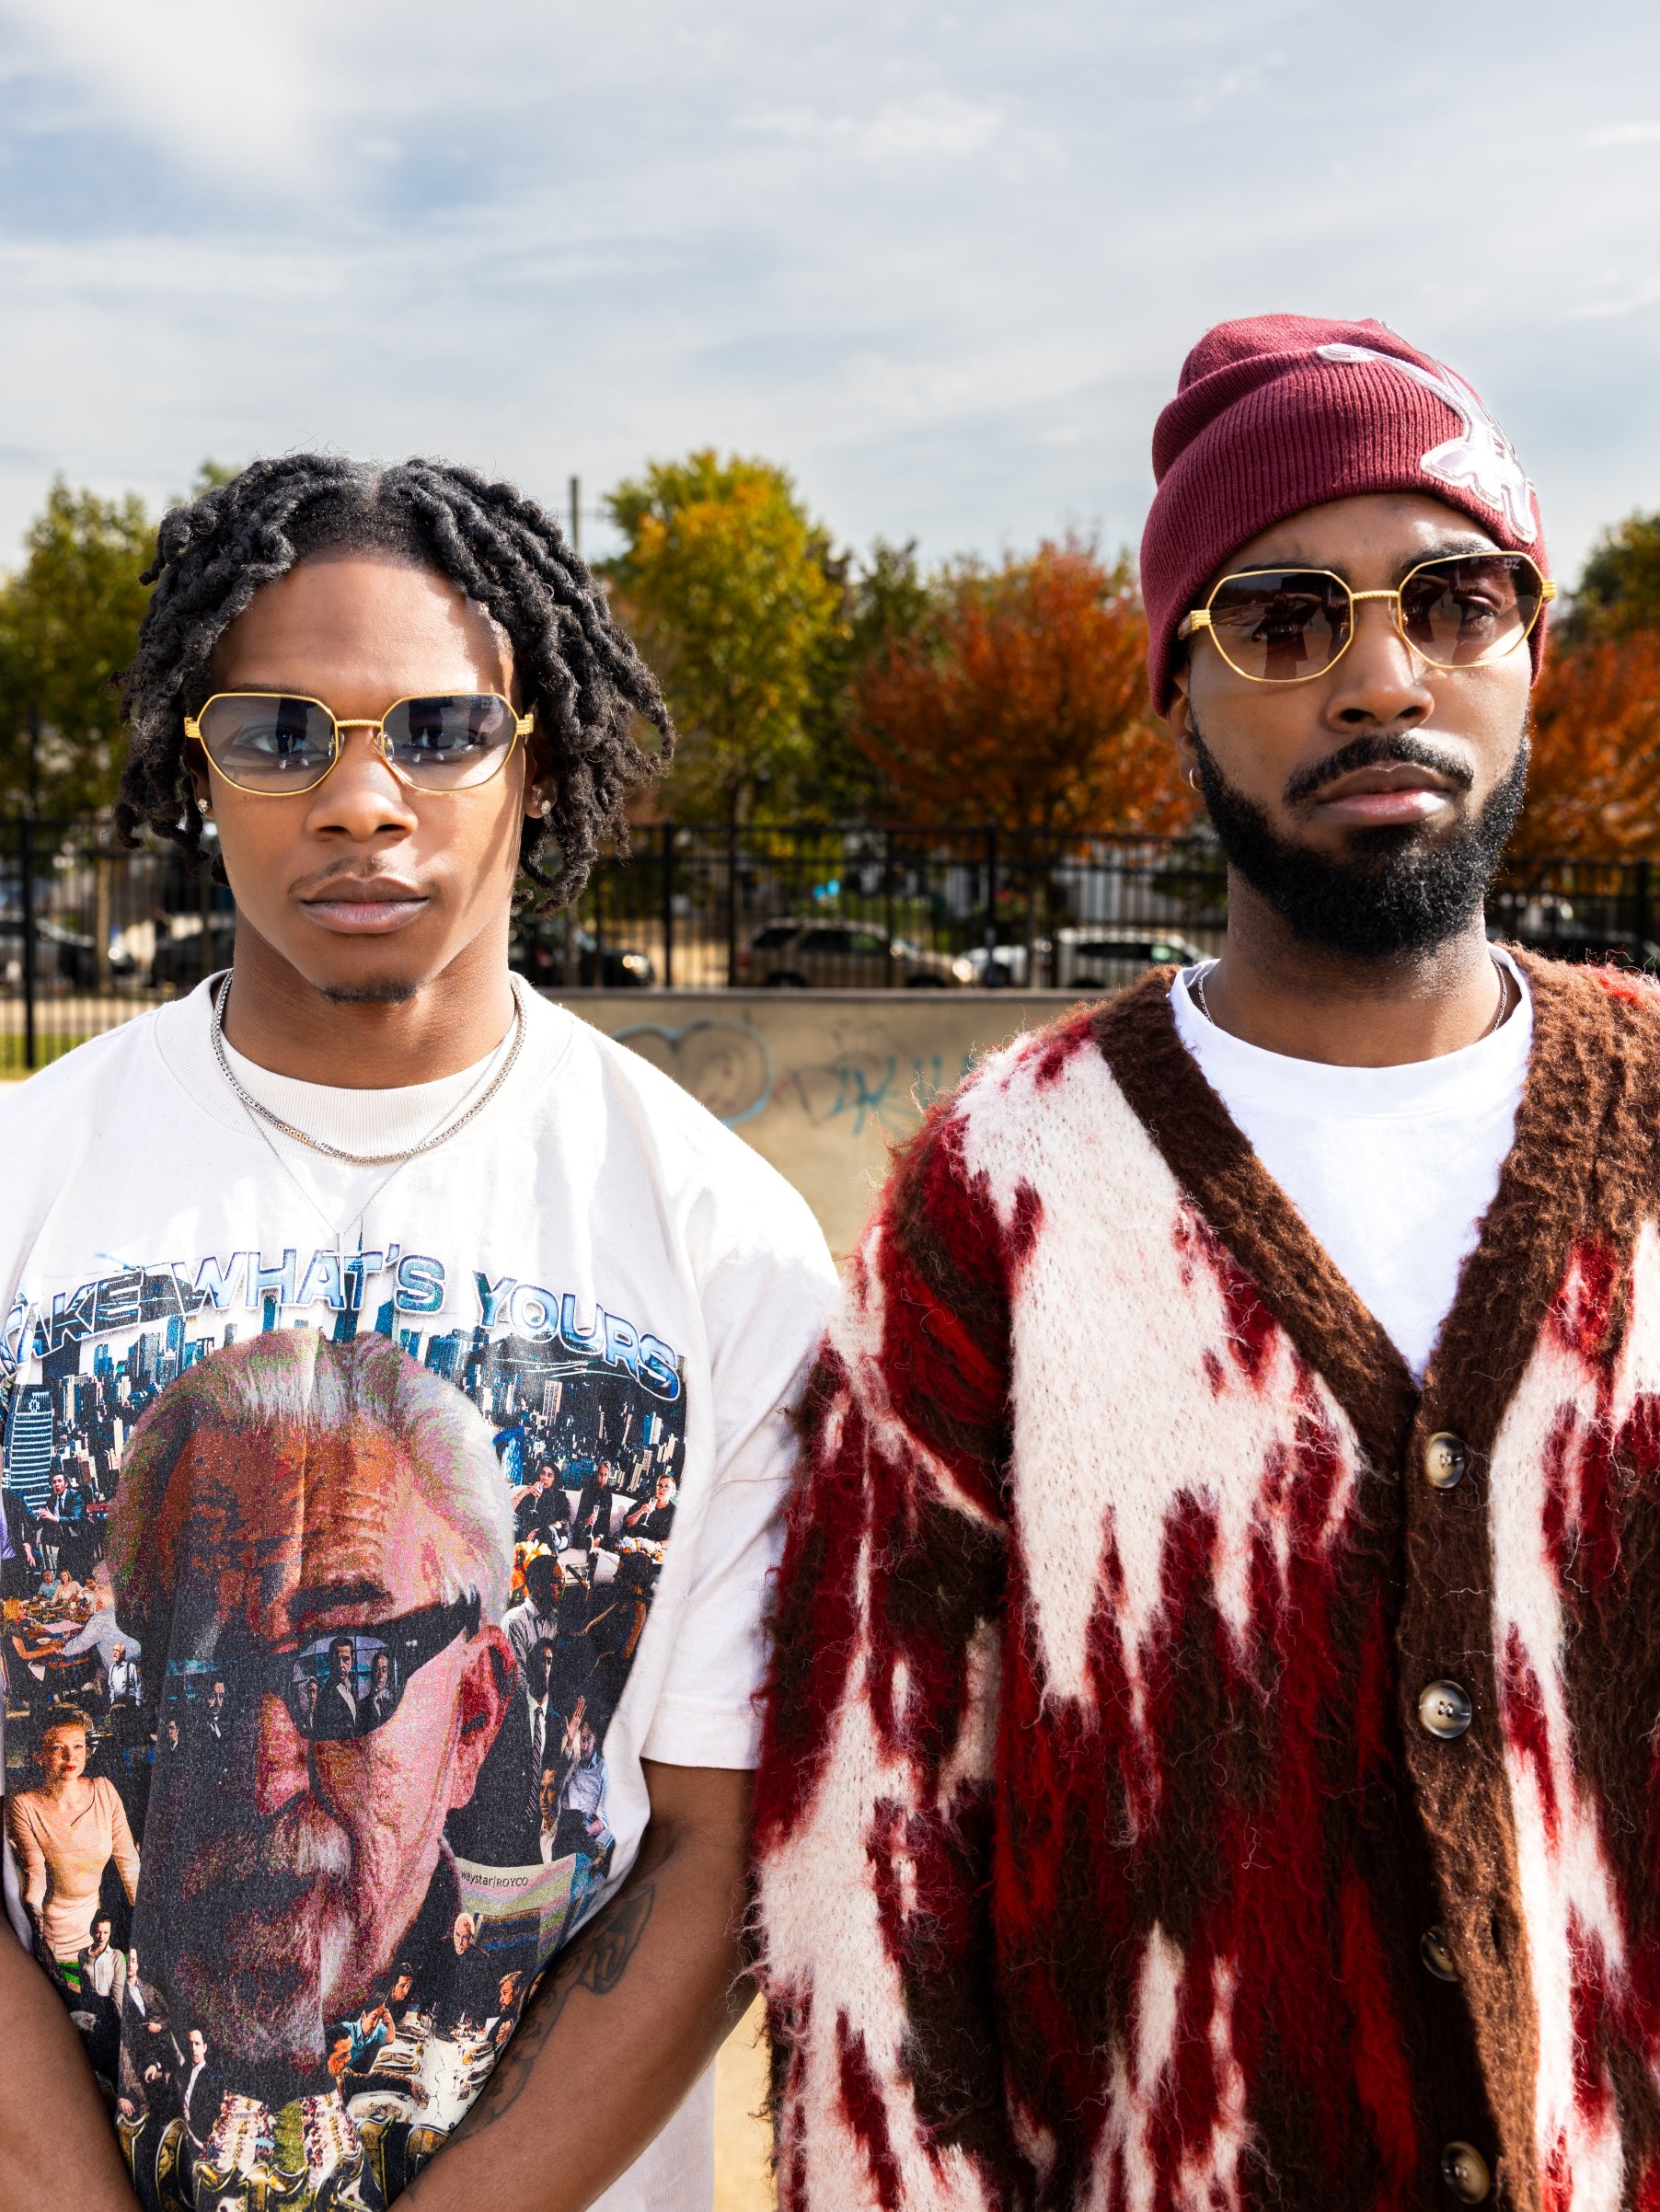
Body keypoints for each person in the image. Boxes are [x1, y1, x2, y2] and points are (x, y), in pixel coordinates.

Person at [755, 316, 1660, 2210]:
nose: (1378, 676)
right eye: (1281, 618)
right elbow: (862, 1865)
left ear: (1531, 648)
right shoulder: (992, 1200)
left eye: (1451, 597)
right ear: (1175, 680)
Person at [0, 450, 835, 2212]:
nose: (364, 796)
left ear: (535, 758)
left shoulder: (722, 1243)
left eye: (442, 727)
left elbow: (712, 1841)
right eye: (280, 732)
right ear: (193, 766)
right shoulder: (25, 1181)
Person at [5, 1708, 140, 1962]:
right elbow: (36, 1875)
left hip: (99, 1934)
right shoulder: (23, 1805)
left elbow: (129, 1865)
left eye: (78, 1746)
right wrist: (36, 1939)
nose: (70, 1756)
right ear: (38, 1755)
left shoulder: (104, 1791)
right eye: (58, 1748)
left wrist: (148, 1925)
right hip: (54, 1939)